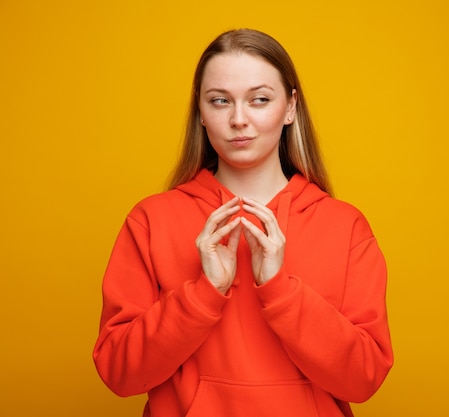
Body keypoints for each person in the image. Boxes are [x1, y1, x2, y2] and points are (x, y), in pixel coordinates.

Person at [93, 28, 393, 417]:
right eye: (220, 101)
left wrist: (281, 292)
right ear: (200, 112)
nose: (238, 119)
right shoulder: (151, 220)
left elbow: (364, 379)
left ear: (289, 108)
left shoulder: (346, 226)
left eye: (259, 100)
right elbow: (119, 374)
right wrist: (204, 293)